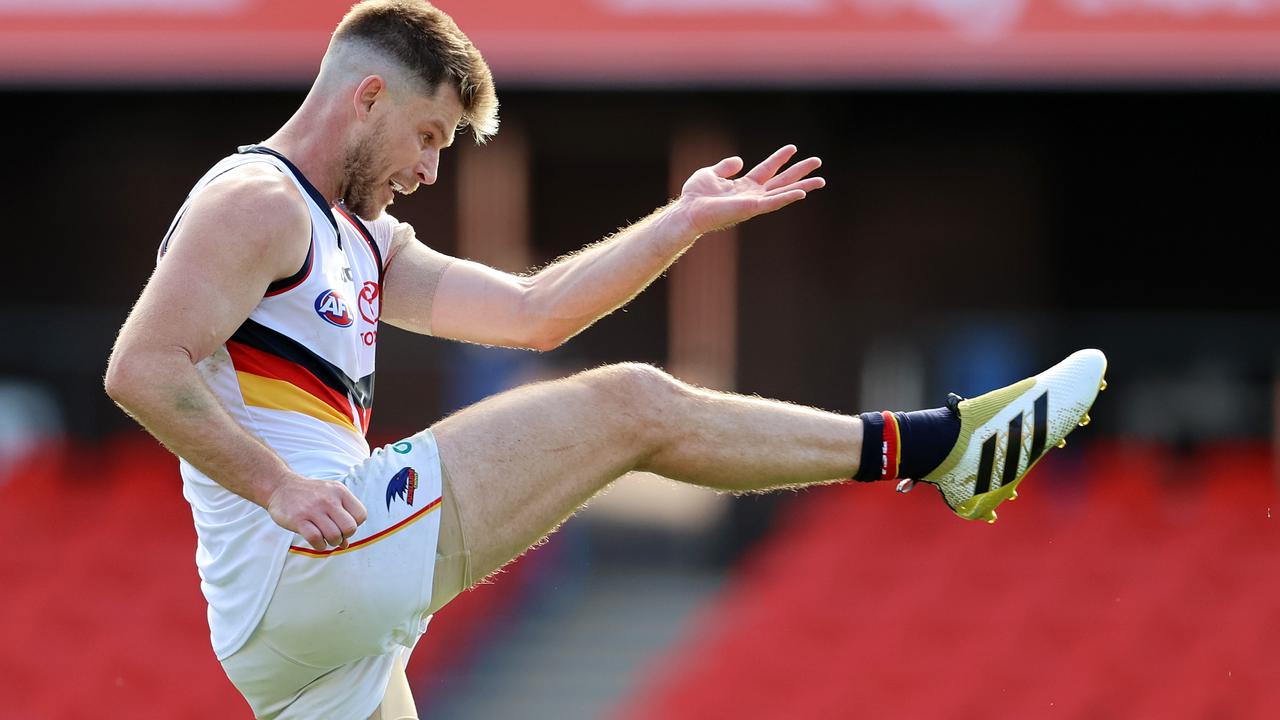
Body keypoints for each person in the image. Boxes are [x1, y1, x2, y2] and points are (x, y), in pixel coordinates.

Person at [103, 1, 1107, 717]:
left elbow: (536, 313)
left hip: (306, 634)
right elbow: (141, 368)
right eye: (427, 135)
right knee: (629, 403)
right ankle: (940, 448)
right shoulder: (259, 201)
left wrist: (676, 225)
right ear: (364, 98)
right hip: (306, 566)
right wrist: (278, 486)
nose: (428, 168)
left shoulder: (360, 237)